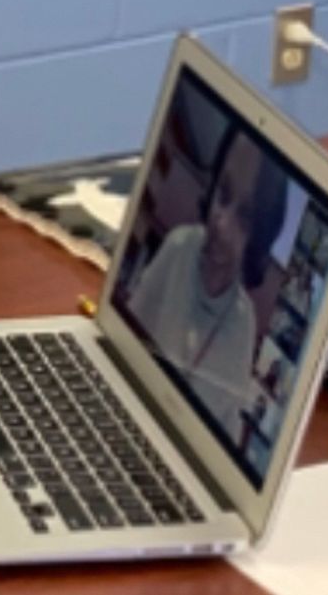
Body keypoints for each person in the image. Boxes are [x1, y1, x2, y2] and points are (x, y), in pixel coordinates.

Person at [127, 129, 287, 434]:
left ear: (259, 236)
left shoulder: (245, 324)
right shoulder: (179, 247)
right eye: (223, 194)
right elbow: (119, 341)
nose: (222, 222)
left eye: (244, 217)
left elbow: (227, 430)